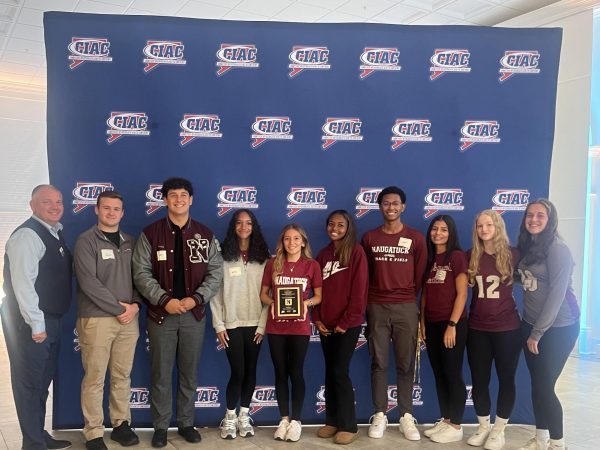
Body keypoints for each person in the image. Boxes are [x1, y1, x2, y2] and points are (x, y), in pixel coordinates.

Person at [132, 177, 223, 448]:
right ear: (164, 200)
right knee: (160, 373)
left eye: (184, 195)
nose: (179, 200)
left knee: (189, 373)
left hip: (194, 315)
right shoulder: (150, 234)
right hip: (161, 316)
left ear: (191, 200)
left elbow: (215, 273)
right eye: (173, 195)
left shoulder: (205, 235)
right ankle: (160, 427)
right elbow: (140, 272)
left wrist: (196, 298)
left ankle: (185, 423)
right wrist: (163, 299)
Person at [1, 184, 73, 450]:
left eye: (59, 201)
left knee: (41, 383)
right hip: (31, 324)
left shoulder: (55, 233)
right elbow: (23, 285)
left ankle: (39, 436)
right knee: (29, 385)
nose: (55, 206)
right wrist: (36, 325)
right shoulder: (27, 236)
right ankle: (32, 444)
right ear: (32, 205)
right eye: (47, 202)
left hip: (50, 320)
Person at [73, 190, 141, 450]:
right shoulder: (86, 241)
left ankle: (121, 424)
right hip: (97, 319)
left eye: (116, 209)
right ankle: (93, 432)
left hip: (128, 319)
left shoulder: (129, 241)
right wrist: (118, 308)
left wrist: (134, 306)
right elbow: (89, 282)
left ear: (122, 213)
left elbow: (139, 278)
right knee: (95, 377)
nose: (111, 213)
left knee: (122, 376)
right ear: (96, 210)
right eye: (106, 208)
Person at [361, 186, 426, 441]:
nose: (391, 207)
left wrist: (405, 298)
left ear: (403, 206)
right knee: (379, 362)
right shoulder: (369, 238)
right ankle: (379, 414)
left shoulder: (416, 238)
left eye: (395, 203)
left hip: (406, 306)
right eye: (386, 203)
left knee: (405, 363)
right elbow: (365, 276)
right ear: (380, 207)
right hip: (376, 306)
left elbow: (419, 275)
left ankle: (406, 415)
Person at [515, 199, 580, 450]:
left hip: (559, 328)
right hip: (530, 323)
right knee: (537, 385)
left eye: (540, 215)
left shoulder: (558, 248)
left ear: (550, 219)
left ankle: (558, 444)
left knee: (545, 386)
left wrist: (537, 334)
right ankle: (541, 439)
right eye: (530, 215)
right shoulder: (530, 246)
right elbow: (531, 280)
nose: (533, 219)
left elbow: (556, 295)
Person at [210, 209, 270, 439]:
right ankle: (230, 417)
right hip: (231, 324)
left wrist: (262, 325)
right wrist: (219, 325)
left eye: (248, 223)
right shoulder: (222, 255)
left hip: (255, 324)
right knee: (238, 371)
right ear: (233, 226)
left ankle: (244, 415)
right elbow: (214, 294)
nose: (244, 227)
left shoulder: (264, 257)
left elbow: (268, 295)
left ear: (254, 227)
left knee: (251, 370)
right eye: (239, 223)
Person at [259, 224, 322, 442]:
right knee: (280, 372)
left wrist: (306, 303)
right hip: (276, 327)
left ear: (303, 242)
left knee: (296, 372)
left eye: (296, 239)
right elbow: (263, 295)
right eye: (287, 239)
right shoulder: (273, 263)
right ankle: (283, 419)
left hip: (299, 328)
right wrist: (273, 303)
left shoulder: (312, 266)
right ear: (282, 242)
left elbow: (318, 297)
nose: (292, 243)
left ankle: (296, 421)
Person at [466, 210, 521, 450]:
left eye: (489, 225)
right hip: (478, 327)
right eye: (480, 226)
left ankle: (499, 430)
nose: (484, 229)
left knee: (506, 378)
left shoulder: (514, 254)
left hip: (507, 328)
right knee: (479, 380)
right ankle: (483, 426)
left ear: (498, 226)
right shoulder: (471, 256)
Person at [314, 210, 368, 445]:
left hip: (347, 325)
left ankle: (349, 425)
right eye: (331, 224)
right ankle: (333, 420)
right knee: (330, 372)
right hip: (326, 325)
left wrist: (346, 322)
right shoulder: (323, 254)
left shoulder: (356, 252)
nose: (335, 228)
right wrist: (317, 318)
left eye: (340, 224)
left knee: (339, 372)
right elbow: (315, 290)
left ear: (349, 227)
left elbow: (359, 292)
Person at [420, 214, 468, 444]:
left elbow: (462, 293)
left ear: (451, 233)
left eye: (444, 229)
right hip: (431, 323)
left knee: (452, 373)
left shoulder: (456, 257)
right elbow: (425, 295)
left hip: (452, 324)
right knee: (439, 374)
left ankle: (456, 425)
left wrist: (452, 324)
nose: (438, 233)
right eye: (435, 229)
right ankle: (446, 419)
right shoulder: (429, 258)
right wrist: (422, 323)